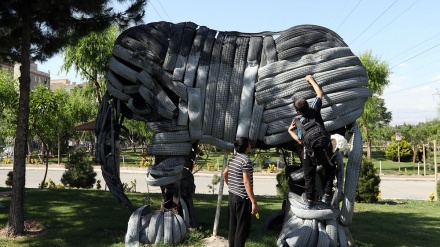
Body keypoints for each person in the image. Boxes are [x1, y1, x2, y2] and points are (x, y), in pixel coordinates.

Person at [288, 75, 336, 208]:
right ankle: (327, 195)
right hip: (324, 146)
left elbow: (299, 141)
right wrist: (310, 80)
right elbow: (319, 93)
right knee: (330, 167)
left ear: (297, 111)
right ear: (308, 105)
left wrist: (290, 131)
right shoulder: (314, 109)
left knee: (309, 174)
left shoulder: (298, 121)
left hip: (309, 151)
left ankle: (309, 199)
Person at [223, 137, 258, 247]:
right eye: (249, 142)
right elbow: (246, 182)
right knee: (242, 230)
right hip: (242, 199)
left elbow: (225, 173)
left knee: (233, 227)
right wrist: (253, 202)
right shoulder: (245, 160)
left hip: (232, 195)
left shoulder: (233, 159)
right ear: (247, 146)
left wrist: (231, 185)